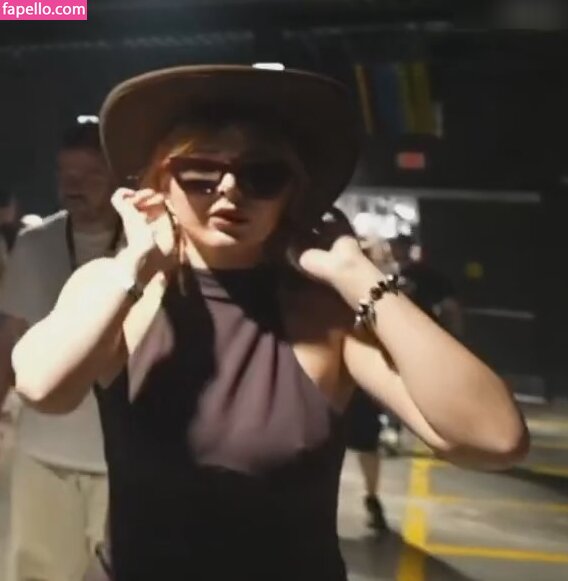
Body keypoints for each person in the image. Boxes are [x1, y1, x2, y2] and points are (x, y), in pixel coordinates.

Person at [12, 65, 528, 581]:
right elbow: (42, 386)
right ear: (160, 183)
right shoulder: (120, 288)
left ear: (291, 194)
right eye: (200, 172)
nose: (230, 190)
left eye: (262, 175)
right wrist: (137, 262)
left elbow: (495, 438)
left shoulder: (325, 314)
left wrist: (355, 273)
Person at [0, 121, 119, 581]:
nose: (74, 185)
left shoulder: (145, 248)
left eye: (90, 174)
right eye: (65, 173)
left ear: (117, 177)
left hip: (122, 461)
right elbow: (9, 340)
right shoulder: (34, 246)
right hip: (42, 454)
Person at [389, 233, 464, 337]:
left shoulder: (422, 274)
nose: (393, 250)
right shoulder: (394, 274)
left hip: (422, 327)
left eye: (397, 246)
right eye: (393, 246)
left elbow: (450, 306)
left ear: (406, 248)